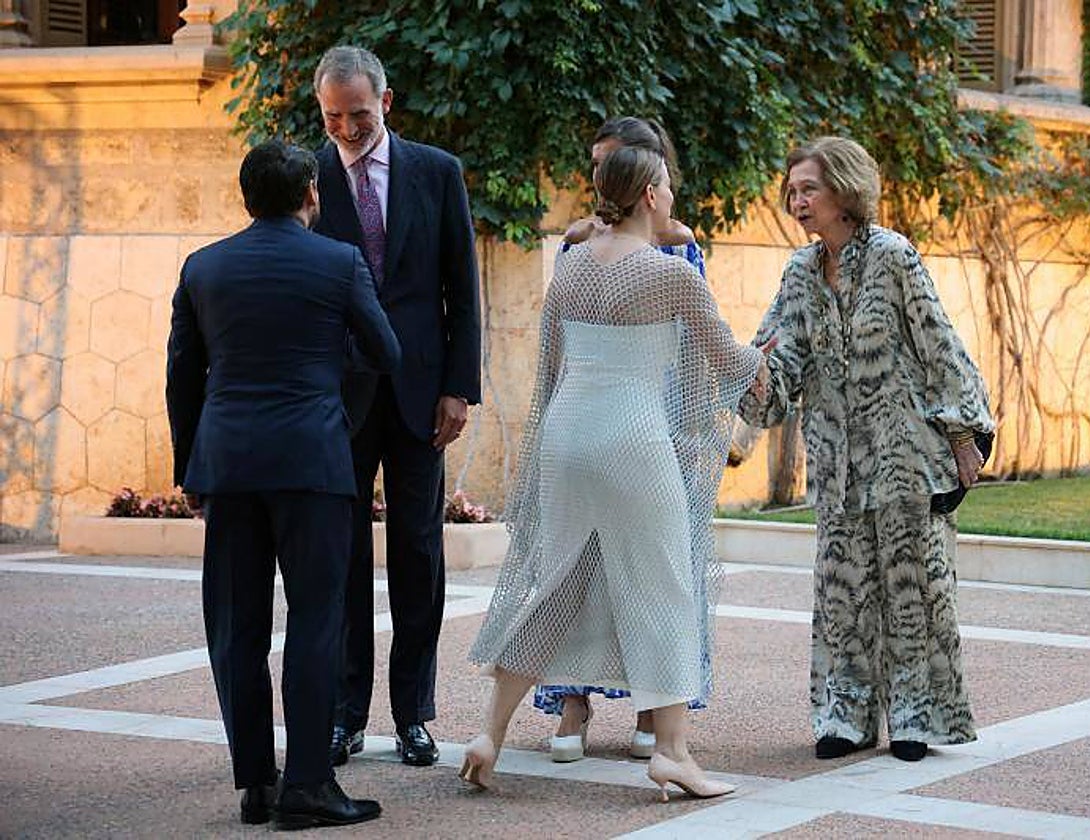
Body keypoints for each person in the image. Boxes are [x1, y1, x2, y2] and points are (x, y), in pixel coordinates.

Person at [460, 145, 765, 800]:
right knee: (665, 586)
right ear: (651, 195)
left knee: (556, 585)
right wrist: (761, 356)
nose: (672, 197)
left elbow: (550, 362)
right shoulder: (672, 274)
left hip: (567, 434)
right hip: (634, 438)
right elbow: (726, 359)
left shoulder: (570, 265)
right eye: (668, 187)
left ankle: (490, 734)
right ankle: (673, 753)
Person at [166, 140, 401, 828]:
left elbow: (182, 375)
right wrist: (330, 381)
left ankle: (256, 784)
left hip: (229, 464)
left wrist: (190, 467)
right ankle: (308, 784)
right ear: (309, 194)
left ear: (247, 198)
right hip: (311, 460)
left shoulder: (203, 267)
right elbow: (384, 351)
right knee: (316, 622)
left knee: (237, 627)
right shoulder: (339, 262)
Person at [739, 136, 994, 762]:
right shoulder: (799, 273)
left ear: (845, 190)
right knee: (842, 591)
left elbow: (939, 344)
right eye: (792, 191)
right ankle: (846, 715)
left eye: (809, 189)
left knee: (914, 590)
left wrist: (963, 433)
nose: (797, 201)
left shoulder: (893, 257)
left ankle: (915, 715)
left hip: (905, 457)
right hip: (836, 465)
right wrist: (751, 372)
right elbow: (779, 359)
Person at [311, 45, 482, 769]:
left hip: (421, 395)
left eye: (356, 114)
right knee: (342, 557)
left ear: (385, 102)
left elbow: (461, 287)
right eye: (332, 117)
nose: (346, 130)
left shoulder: (437, 172)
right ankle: (345, 714)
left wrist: (460, 387)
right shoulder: (310, 176)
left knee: (418, 553)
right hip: (337, 397)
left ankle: (413, 714)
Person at [535, 116, 709, 763]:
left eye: (612, 163)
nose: (600, 177)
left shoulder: (682, 249)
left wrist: (691, 430)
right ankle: (572, 703)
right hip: (586, 412)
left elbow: (696, 346)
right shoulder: (577, 246)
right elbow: (558, 346)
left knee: (652, 570)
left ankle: (650, 707)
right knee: (574, 563)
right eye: (596, 163)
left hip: (653, 416)